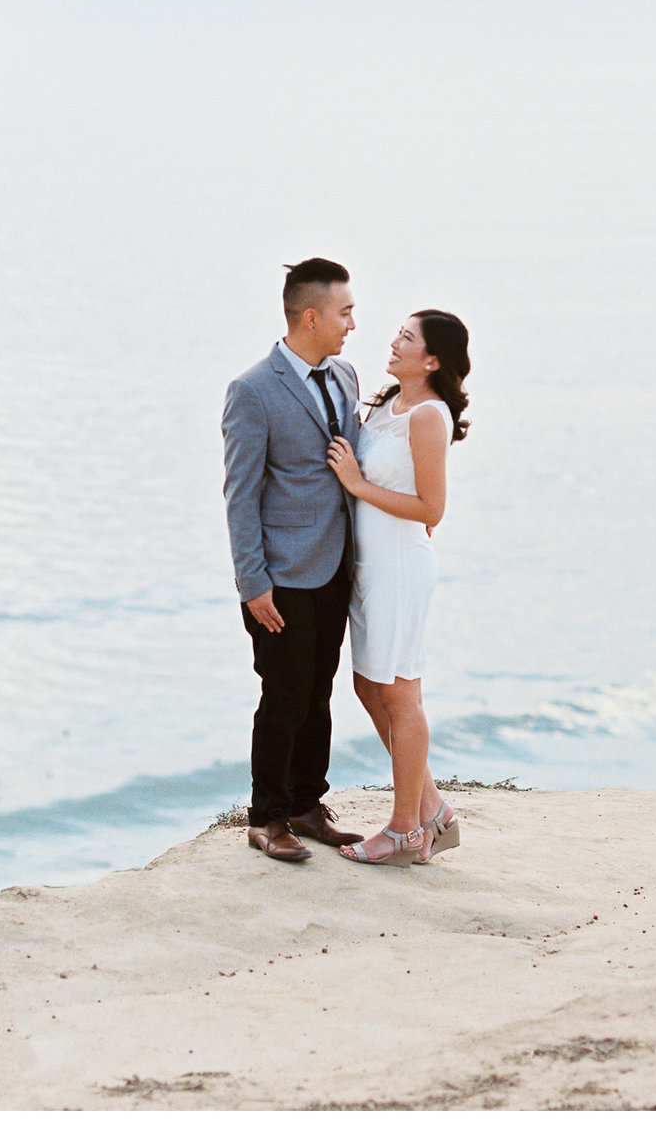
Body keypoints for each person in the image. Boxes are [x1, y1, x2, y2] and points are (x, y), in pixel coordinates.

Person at [221, 258, 365, 861]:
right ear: (311, 316)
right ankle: (266, 816)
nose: (352, 324)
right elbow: (240, 493)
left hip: (336, 565)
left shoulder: (347, 375)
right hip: (279, 577)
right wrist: (253, 584)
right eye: (345, 312)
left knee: (320, 691)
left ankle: (307, 803)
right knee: (283, 694)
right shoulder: (252, 390)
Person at [326, 309, 471, 867]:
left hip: (401, 569)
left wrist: (358, 484)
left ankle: (406, 830)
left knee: (400, 694)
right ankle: (434, 810)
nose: (393, 341)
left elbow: (431, 509)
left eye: (407, 338)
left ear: (431, 359)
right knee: (369, 689)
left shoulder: (430, 416)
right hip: (370, 568)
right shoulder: (389, 403)